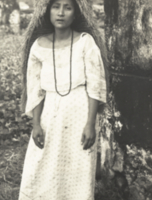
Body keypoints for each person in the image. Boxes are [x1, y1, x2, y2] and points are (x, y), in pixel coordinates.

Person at [19, 0, 107, 199]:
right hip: (50, 112)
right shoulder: (38, 46)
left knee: (78, 164)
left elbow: (96, 84)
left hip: (80, 112)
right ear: (47, 11)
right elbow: (36, 90)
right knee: (41, 161)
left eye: (67, 8)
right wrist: (36, 124)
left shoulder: (86, 42)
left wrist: (90, 123)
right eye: (56, 7)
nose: (61, 13)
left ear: (75, 14)